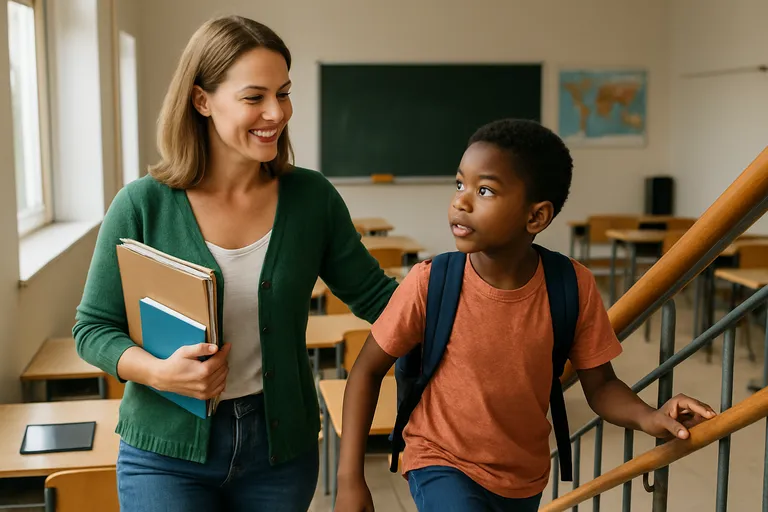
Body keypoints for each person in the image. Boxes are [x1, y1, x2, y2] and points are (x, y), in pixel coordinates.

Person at [73, 15, 397, 512]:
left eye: (283, 93)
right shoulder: (142, 205)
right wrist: (160, 373)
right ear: (202, 100)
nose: (276, 112)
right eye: (254, 97)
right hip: (164, 455)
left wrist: (476, 301)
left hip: (280, 451)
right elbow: (93, 329)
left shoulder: (311, 199)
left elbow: (381, 301)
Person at [333, 119, 716, 512]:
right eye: (459, 184)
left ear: (536, 217)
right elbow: (366, 370)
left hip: (523, 477)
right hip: (439, 460)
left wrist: (651, 417)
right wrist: (349, 479)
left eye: (484, 190)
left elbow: (600, 386)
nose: (460, 202)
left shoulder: (572, 286)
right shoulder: (430, 282)